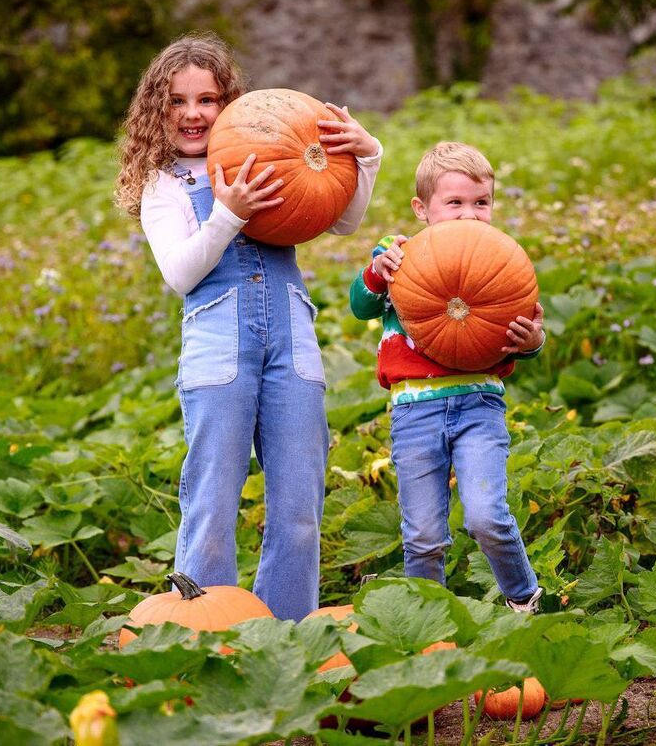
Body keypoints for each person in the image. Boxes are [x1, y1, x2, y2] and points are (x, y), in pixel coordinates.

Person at [116, 33, 382, 620]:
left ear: (229, 103)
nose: (193, 114)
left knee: (299, 506)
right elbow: (182, 274)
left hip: (292, 343)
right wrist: (230, 213)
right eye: (177, 102)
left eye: (208, 100)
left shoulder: (264, 158)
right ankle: (206, 634)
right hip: (219, 352)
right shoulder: (167, 185)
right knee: (212, 499)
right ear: (155, 112)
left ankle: (284, 637)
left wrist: (367, 158)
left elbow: (341, 221)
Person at [348, 141, 544, 613]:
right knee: (423, 536)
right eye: (454, 203)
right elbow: (361, 305)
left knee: (486, 517)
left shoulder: (499, 260)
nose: (469, 215)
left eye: (481, 203)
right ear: (423, 209)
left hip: (479, 407)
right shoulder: (399, 256)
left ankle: (526, 601)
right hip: (415, 412)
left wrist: (532, 341)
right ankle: (427, 622)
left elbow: (528, 332)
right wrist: (377, 272)